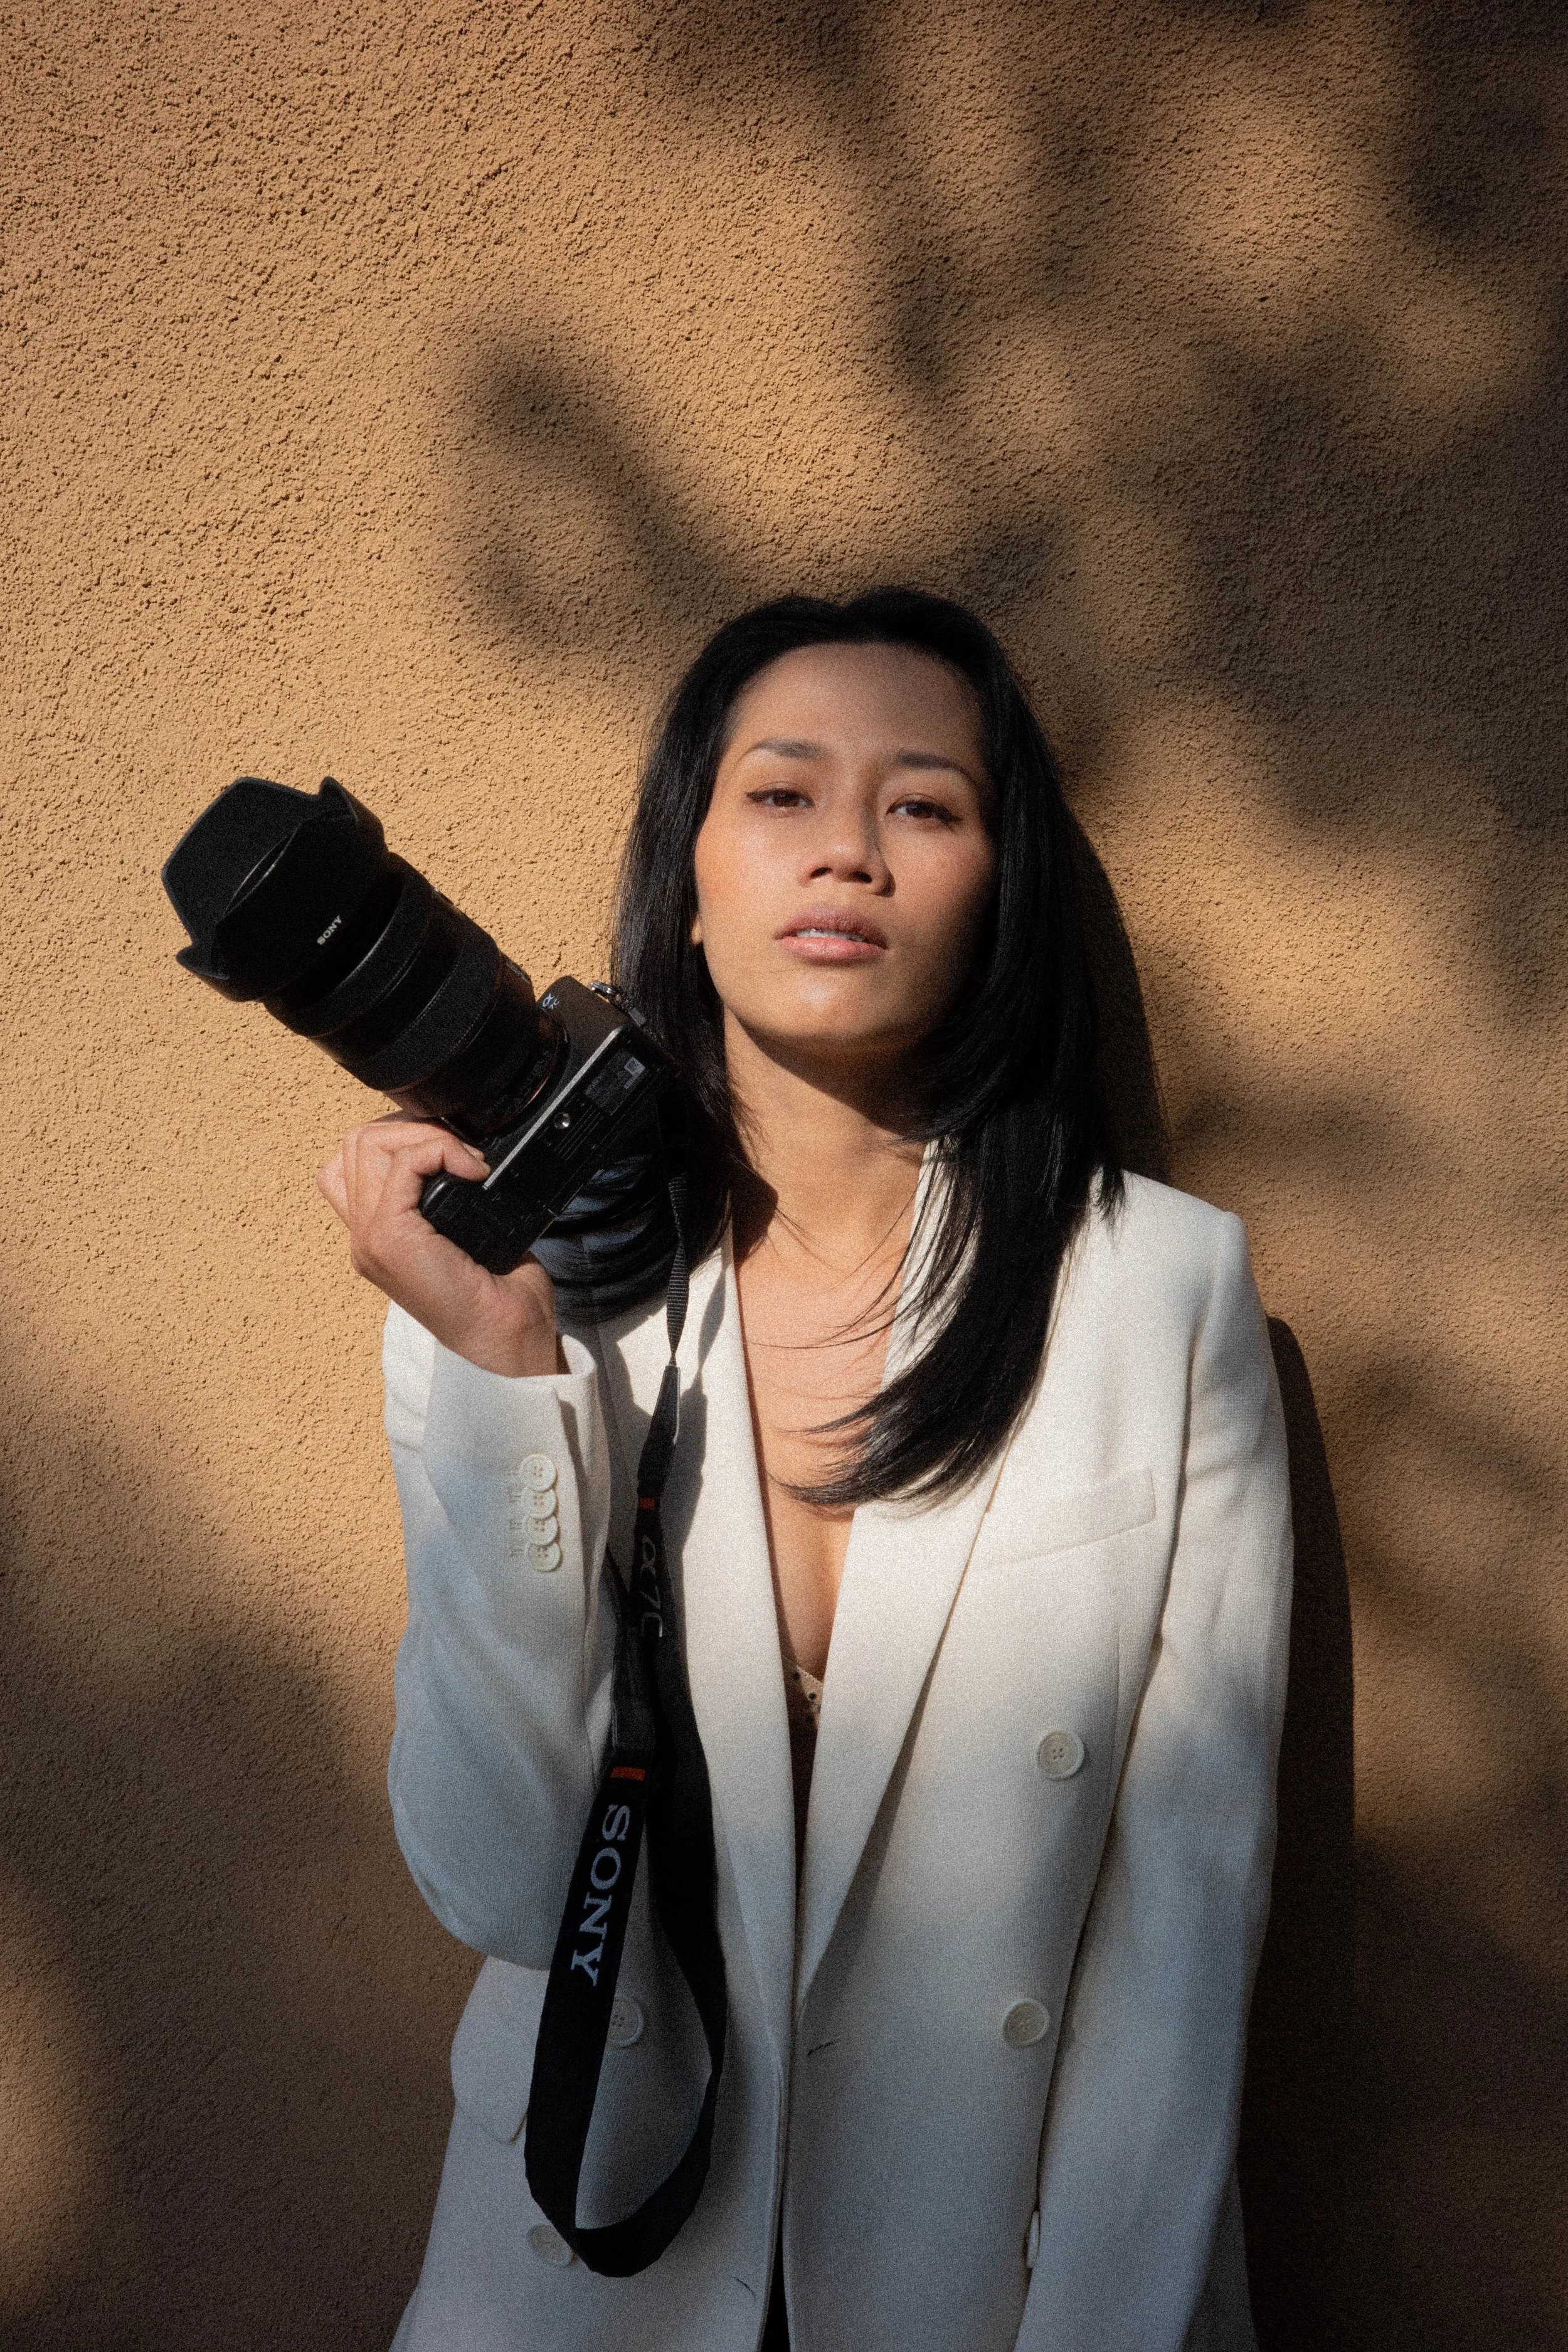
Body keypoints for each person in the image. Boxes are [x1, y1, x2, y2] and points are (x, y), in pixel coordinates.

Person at [319, 589, 1293, 2352]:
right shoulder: (525, 1281)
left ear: (1000, 897)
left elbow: (1179, 1941)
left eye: (923, 804)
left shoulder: (1155, 1296)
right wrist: (500, 1382)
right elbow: (499, 1873)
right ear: (685, 877)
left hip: (987, 2286)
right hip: (580, 2273)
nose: (845, 848)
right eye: (780, 794)